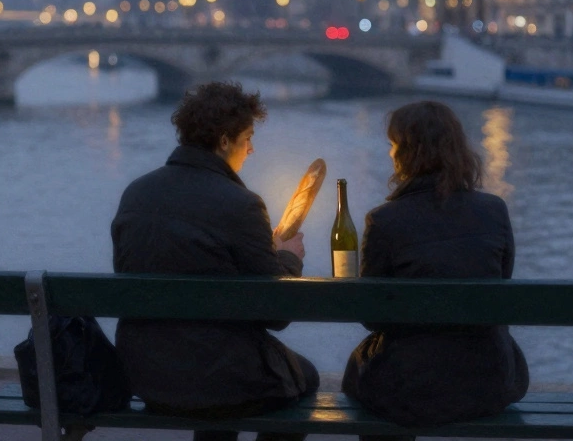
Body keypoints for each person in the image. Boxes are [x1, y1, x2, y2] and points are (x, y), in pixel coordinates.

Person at [111, 81, 319, 441]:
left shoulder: (136, 193)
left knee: (216, 363)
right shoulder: (242, 205)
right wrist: (286, 256)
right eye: (248, 138)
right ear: (225, 141)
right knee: (303, 377)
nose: (251, 149)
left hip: (146, 374)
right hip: (218, 379)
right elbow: (277, 314)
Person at [342, 100, 529, 441]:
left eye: (393, 145)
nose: (389, 154)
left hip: (414, 390)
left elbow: (373, 315)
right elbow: (500, 288)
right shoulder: (494, 211)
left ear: (407, 153)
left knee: (369, 373)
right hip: (490, 380)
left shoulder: (384, 221)